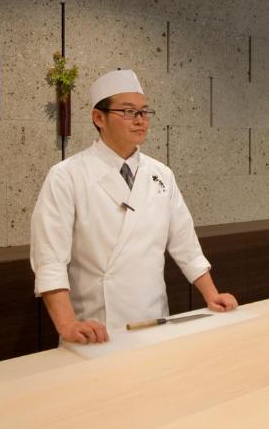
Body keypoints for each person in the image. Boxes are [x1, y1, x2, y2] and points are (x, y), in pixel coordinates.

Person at [30, 68, 237, 344]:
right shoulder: (67, 175)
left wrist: (212, 295)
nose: (140, 120)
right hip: (95, 328)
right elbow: (50, 259)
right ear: (98, 117)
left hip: (154, 321)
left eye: (144, 112)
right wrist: (67, 324)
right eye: (128, 112)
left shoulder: (161, 174)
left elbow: (185, 244)